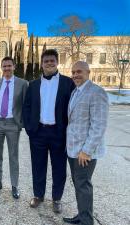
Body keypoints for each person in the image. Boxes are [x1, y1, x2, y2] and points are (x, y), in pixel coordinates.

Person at [22, 49, 75, 213]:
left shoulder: (68, 83)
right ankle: (38, 195)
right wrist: (30, 128)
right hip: (38, 132)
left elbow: (73, 108)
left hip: (59, 133)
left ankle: (57, 198)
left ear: (57, 62)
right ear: (42, 63)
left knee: (59, 167)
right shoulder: (33, 84)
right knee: (38, 165)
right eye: (46, 61)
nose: (49, 63)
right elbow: (27, 107)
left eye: (52, 60)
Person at [63, 61, 109, 225]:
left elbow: (99, 125)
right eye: (73, 72)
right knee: (79, 184)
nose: (75, 75)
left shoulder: (96, 92)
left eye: (79, 71)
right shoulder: (76, 91)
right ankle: (82, 215)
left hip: (84, 152)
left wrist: (87, 151)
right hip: (73, 150)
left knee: (83, 185)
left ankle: (87, 221)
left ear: (88, 72)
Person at [0, 56, 28, 199]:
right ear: (1, 67)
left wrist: (21, 123)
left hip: (12, 124)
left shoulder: (23, 84)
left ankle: (14, 185)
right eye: (4, 66)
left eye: (9, 66)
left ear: (14, 66)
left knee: (13, 156)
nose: (7, 68)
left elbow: (25, 105)